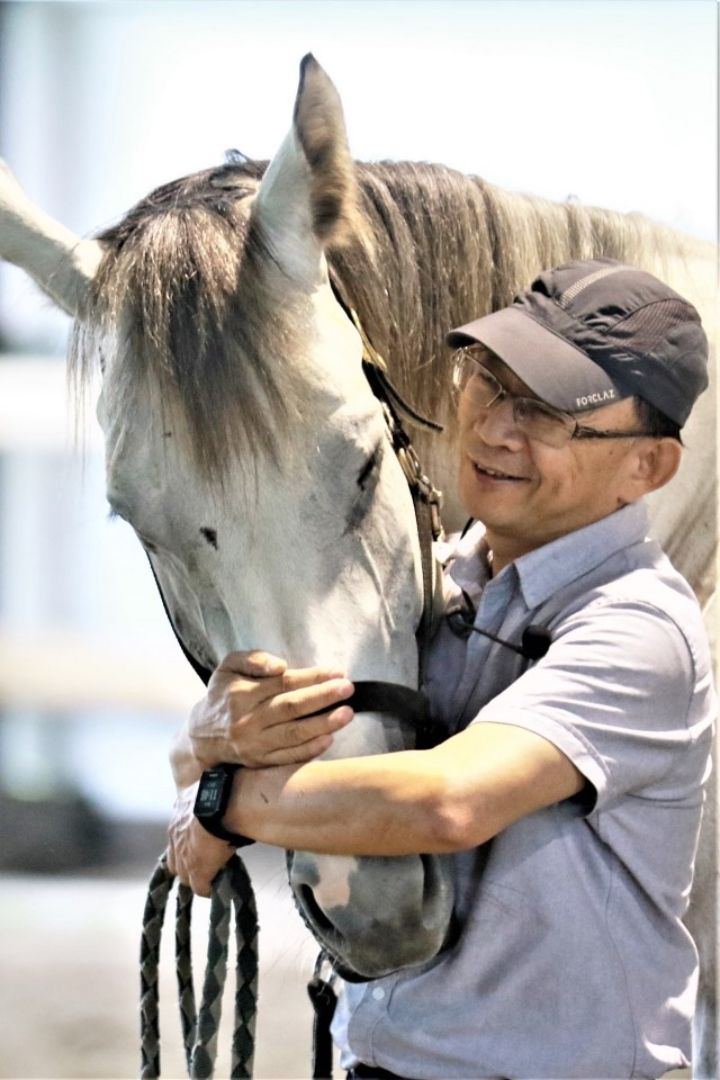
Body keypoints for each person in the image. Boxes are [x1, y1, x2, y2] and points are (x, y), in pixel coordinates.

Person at [167, 258, 715, 1079]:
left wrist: (221, 801)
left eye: (550, 412)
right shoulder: (418, 587)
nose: (495, 428)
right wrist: (209, 738)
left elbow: (447, 804)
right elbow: (195, 773)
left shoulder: (640, 627)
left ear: (649, 468)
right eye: (488, 382)